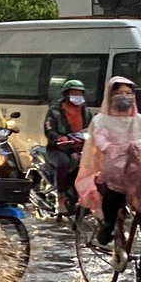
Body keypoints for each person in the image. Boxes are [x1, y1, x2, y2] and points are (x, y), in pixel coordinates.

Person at [78, 76, 141, 246]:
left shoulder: (140, 120)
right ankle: (107, 225)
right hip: (112, 172)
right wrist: (112, 148)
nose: (125, 96)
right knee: (113, 195)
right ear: (110, 96)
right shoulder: (100, 120)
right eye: (120, 93)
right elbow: (100, 141)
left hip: (139, 170)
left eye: (129, 93)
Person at [42, 78, 93, 212]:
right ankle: (61, 199)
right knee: (64, 162)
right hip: (59, 148)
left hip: (79, 147)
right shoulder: (55, 111)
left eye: (80, 93)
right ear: (66, 94)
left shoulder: (85, 112)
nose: (77, 96)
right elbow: (49, 129)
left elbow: (92, 128)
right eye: (74, 93)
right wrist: (59, 137)